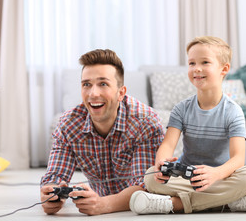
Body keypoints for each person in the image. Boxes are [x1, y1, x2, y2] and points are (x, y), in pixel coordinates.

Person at [129, 36, 246, 214]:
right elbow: (168, 145)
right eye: (192, 63)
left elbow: (238, 159)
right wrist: (160, 163)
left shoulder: (233, 111)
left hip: (220, 178)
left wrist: (215, 174)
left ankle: (174, 204)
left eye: (205, 62)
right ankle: (230, 202)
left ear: (224, 69)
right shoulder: (181, 109)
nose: (197, 69)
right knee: (150, 178)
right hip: (187, 177)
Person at [40, 49, 164, 215]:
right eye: (86, 84)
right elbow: (54, 176)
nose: (93, 93)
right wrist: (51, 194)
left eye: (103, 84)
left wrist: (104, 204)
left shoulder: (145, 122)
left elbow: (145, 186)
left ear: (121, 93)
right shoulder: (68, 125)